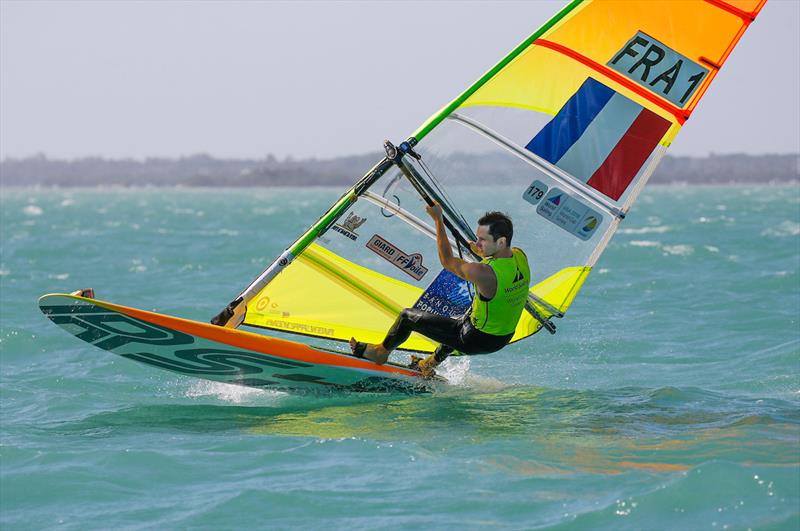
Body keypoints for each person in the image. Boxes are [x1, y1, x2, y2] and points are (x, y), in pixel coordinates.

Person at [349, 201, 530, 377]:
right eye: (477, 238)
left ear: (501, 242)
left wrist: (438, 219)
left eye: (482, 240)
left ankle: (380, 352)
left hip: (475, 339)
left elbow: (447, 261)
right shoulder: (519, 255)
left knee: (407, 317)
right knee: (463, 319)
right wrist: (481, 249)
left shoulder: (484, 272)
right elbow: (497, 263)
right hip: (503, 336)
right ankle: (428, 364)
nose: (478, 243)